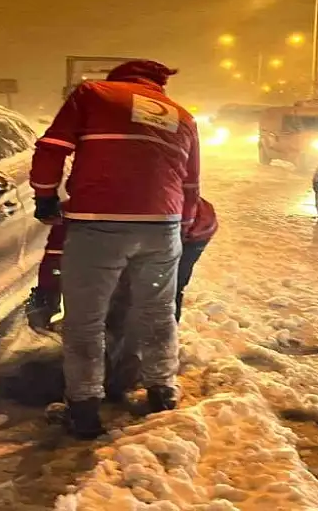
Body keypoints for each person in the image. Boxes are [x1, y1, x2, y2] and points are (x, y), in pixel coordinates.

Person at [30, 59, 200, 439]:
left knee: (85, 320)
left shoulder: (94, 94)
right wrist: (181, 227)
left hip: (99, 223)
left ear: (119, 78)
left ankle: (84, 409)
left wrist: (44, 197)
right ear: (159, 85)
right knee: (157, 313)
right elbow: (191, 185)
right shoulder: (183, 116)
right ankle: (162, 392)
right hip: (163, 227)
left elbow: (52, 147)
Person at [26, 197, 218, 399]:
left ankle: (145, 377)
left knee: (155, 299)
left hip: (190, 230)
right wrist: (47, 293)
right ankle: (119, 365)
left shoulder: (121, 222)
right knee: (121, 299)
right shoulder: (75, 215)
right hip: (156, 223)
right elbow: (55, 257)